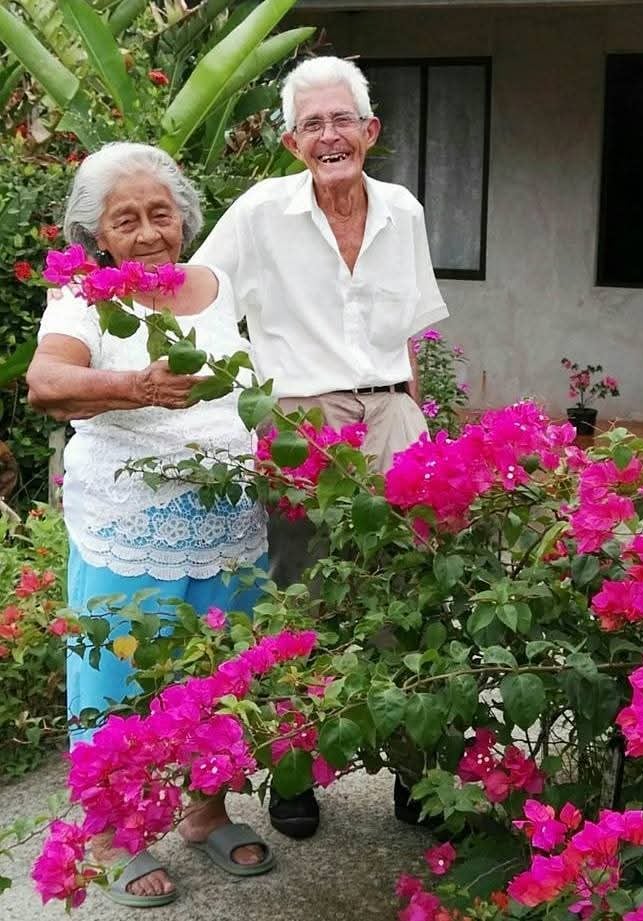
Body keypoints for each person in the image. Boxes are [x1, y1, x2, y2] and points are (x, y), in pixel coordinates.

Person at [191, 56, 449, 838]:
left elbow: (406, 328)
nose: (330, 135)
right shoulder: (262, 212)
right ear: (290, 140)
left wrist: (412, 416)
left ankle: (417, 766)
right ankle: (296, 772)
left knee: (413, 584)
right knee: (300, 591)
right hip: (301, 415)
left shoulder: (403, 209)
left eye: (343, 120)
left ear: (370, 131)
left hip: (390, 408)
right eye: (313, 124)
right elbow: (201, 293)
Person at [26, 142, 274, 907]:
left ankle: (207, 809)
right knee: (118, 678)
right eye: (124, 219)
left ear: (184, 218)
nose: (147, 232)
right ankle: (113, 831)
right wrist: (136, 385)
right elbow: (46, 383)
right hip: (130, 525)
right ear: (97, 235)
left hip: (231, 519)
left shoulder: (216, 281)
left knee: (221, 672)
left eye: (159, 213)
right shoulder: (84, 296)